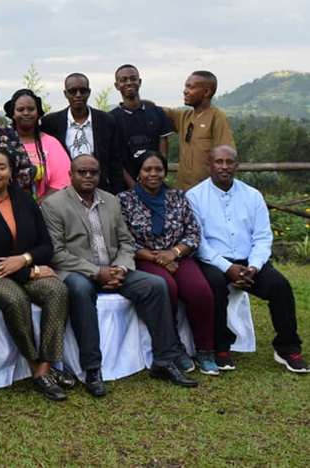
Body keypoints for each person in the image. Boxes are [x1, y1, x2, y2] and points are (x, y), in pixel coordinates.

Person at [41, 154, 198, 396]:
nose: (88, 176)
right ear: (70, 175)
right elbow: (57, 253)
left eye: (93, 172)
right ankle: (92, 369)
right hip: (78, 271)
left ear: (99, 175)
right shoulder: (54, 205)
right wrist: (98, 273)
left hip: (114, 268)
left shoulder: (111, 201)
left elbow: (126, 242)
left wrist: (121, 268)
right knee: (80, 290)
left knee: (156, 285)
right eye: (82, 172)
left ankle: (164, 360)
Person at [0, 148, 73, 401]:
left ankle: (45, 366)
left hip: (23, 267)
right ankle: (34, 363)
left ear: (11, 172)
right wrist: (29, 273)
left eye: (2, 167)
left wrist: (24, 260)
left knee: (57, 290)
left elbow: (46, 246)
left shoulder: (25, 200)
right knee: (16, 299)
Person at [187, 145, 307, 373]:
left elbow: (262, 236)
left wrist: (254, 266)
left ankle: (287, 347)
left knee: (280, 286)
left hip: (250, 261)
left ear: (237, 165)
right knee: (213, 285)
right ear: (209, 165)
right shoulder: (194, 197)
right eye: (219, 162)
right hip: (214, 261)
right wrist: (227, 267)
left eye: (229, 162)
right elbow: (199, 242)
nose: (224, 166)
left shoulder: (252, 195)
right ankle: (221, 347)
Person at [118, 151, 218, 375]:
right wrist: (158, 258)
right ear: (139, 173)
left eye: (158, 169)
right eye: (147, 169)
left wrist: (173, 253)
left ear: (165, 172)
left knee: (200, 290)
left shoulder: (178, 197)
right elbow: (123, 239)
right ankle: (174, 347)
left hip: (178, 256)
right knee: (166, 287)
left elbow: (193, 234)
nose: (153, 174)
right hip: (144, 257)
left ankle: (205, 349)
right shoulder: (124, 200)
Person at [40, 73, 125, 194]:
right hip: (63, 191)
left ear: (89, 92)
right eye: (73, 91)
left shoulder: (106, 121)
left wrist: (117, 194)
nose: (78, 95)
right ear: (65, 93)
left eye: (83, 91)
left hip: (99, 189)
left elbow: (115, 162)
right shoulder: (50, 123)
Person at [164, 71, 236, 191]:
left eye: (191, 87)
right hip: (183, 191)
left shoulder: (217, 117)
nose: (185, 91)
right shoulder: (184, 117)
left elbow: (227, 155)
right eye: (185, 87)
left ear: (206, 92)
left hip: (206, 192)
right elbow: (160, 111)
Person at [110, 65, 174, 189]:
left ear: (139, 82)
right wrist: (135, 188)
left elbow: (163, 151)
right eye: (123, 80)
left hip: (156, 184)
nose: (129, 82)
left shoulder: (157, 112)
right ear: (117, 85)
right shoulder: (111, 119)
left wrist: (158, 176)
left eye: (133, 78)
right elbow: (115, 158)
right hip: (126, 187)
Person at [4, 89, 71, 204]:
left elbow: (62, 183)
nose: (26, 113)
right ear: (13, 114)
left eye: (31, 109)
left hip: (44, 208)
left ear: (38, 113)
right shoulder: (4, 142)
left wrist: (36, 205)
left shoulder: (51, 144)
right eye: (20, 109)